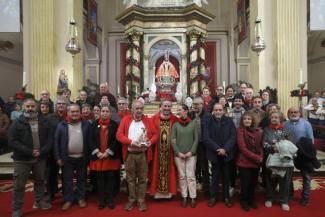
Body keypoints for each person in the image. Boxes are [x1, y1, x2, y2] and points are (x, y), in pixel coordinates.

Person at [9, 98, 52, 217]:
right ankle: (17, 209)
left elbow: (50, 139)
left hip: (40, 158)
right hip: (22, 159)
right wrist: (29, 152)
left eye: (32, 106)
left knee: (40, 181)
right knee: (19, 185)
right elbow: (12, 141)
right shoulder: (17, 122)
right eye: (27, 106)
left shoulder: (44, 121)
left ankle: (39, 202)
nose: (30, 109)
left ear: (37, 107)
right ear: (23, 107)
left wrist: (42, 151)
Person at [116, 100, 157, 211]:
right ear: (132, 109)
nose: (139, 110)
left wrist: (150, 142)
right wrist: (131, 142)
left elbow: (155, 134)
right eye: (137, 108)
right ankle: (131, 199)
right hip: (130, 154)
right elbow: (119, 135)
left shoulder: (147, 120)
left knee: (143, 179)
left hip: (143, 154)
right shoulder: (125, 120)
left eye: (141, 108)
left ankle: (141, 200)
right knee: (130, 179)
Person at [54, 104, 92, 211]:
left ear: (80, 112)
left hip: (82, 157)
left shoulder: (86, 124)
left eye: (77, 111)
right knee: (67, 180)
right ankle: (68, 200)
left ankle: (81, 198)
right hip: (67, 158)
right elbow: (56, 142)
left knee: (82, 179)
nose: (75, 113)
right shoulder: (61, 125)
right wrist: (58, 157)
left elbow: (90, 141)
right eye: (72, 111)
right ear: (68, 112)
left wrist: (89, 158)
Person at [204, 103, 236, 208]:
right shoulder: (208, 121)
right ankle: (213, 197)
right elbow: (206, 137)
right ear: (213, 111)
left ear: (223, 110)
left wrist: (225, 149)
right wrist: (218, 149)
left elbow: (233, 136)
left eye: (220, 110)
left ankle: (226, 197)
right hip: (214, 153)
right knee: (215, 177)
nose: (218, 112)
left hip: (227, 154)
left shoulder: (229, 121)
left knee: (226, 177)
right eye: (216, 110)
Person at [89, 105, 121, 209]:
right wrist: (97, 152)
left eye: (107, 111)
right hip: (98, 157)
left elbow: (116, 140)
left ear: (110, 113)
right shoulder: (93, 124)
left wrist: (108, 152)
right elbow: (90, 139)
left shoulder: (114, 124)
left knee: (111, 179)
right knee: (100, 179)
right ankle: (101, 200)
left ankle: (110, 199)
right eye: (103, 111)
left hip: (110, 157)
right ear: (99, 112)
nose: (105, 113)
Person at [263, 111, 295, 211]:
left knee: (285, 181)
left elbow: (292, 144)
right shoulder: (266, 130)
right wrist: (273, 148)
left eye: (276, 117)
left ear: (280, 119)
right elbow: (264, 143)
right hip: (271, 157)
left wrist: (281, 148)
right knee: (270, 179)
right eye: (272, 117)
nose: (274, 119)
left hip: (284, 159)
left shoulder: (287, 129)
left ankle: (284, 201)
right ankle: (270, 198)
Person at [284, 106, 315, 206]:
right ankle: (290, 194)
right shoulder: (284, 124)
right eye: (291, 112)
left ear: (300, 113)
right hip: (289, 153)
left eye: (296, 112)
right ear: (288, 114)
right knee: (288, 176)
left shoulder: (306, 124)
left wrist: (310, 154)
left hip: (304, 154)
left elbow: (311, 140)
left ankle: (305, 197)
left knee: (306, 176)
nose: (293, 114)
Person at [150, 100, 178, 199]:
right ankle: (157, 192)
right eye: (165, 106)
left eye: (169, 106)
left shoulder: (175, 119)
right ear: (160, 106)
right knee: (156, 169)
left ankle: (169, 192)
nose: (167, 108)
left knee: (170, 170)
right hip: (157, 151)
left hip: (170, 151)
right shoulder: (153, 119)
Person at [172, 104, 199, 208]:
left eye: (180, 110)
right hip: (179, 155)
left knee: (191, 176)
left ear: (186, 111)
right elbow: (173, 140)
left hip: (191, 155)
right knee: (182, 176)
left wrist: (191, 152)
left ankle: (193, 197)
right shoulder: (175, 125)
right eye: (178, 110)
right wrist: (178, 152)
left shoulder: (193, 124)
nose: (178, 112)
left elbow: (196, 139)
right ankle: (184, 196)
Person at [236, 112, 263, 211]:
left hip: (256, 163)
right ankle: (244, 201)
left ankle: (251, 200)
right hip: (244, 162)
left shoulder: (258, 131)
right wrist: (257, 157)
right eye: (245, 119)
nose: (247, 121)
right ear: (242, 121)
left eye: (249, 119)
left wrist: (261, 156)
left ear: (252, 121)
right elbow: (243, 149)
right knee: (245, 184)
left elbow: (260, 146)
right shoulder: (240, 131)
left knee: (253, 183)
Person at [189, 96, 211, 198]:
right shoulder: (190, 115)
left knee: (204, 167)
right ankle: (193, 190)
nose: (196, 106)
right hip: (192, 145)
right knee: (193, 167)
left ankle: (206, 190)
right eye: (194, 104)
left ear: (202, 104)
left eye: (198, 104)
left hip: (203, 145)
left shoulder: (208, 116)